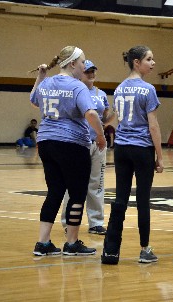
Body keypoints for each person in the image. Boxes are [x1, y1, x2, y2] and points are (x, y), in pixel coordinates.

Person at [30, 46, 106, 256]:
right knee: (77, 193)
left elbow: (34, 100)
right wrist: (100, 135)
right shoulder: (77, 86)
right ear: (72, 64)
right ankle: (72, 242)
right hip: (71, 144)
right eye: (82, 62)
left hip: (46, 143)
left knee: (54, 191)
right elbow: (90, 113)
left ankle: (42, 243)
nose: (84, 66)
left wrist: (41, 76)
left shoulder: (46, 82)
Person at [101, 46, 164, 265]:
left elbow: (114, 118)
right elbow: (153, 126)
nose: (153, 63)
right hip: (141, 148)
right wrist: (160, 156)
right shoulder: (148, 90)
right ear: (136, 62)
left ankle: (111, 250)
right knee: (143, 200)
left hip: (121, 148)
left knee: (120, 199)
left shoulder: (119, 89)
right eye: (149, 59)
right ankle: (145, 249)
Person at [61, 60, 114, 235]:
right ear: (81, 71)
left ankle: (96, 222)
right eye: (88, 71)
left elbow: (104, 119)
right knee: (73, 183)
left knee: (97, 183)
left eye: (93, 71)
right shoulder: (74, 90)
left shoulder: (101, 94)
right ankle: (68, 221)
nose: (91, 74)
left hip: (97, 143)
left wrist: (116, 112)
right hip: (77, 143)